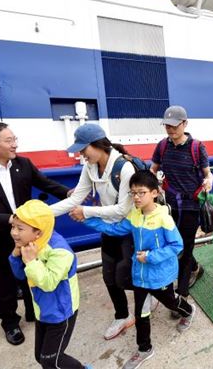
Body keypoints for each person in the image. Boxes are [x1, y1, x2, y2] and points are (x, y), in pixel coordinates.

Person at [0, 122, 70, 345]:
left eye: (15, 139)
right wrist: (12, 221)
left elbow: (45, 184)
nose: (15, 144)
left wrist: (69, 193)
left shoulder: (23, 164)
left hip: (27, 238)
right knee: (2, 286)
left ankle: (32, 312)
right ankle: (10, 323)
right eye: (9, 141)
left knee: (30, 276)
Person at [84, 171, 195, 369]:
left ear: (154, 193)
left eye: (141, 192)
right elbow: (115, 230)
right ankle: (144, 349)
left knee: (171, 302)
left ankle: (188, 310)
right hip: (140, 276)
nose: (136, 197)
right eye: (132, 193)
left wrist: (151, 257)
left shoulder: (163, 218)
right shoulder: (134, 214)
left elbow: (176, 246)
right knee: (141, 313)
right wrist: (87, 218)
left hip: (160, 276)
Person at [50, 123, 143, 341]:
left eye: (84, 150)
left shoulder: (124, 168)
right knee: (109, 276)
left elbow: (123, 209)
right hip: (108, 229)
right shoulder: (90, 167)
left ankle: (148, 297)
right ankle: (122, 316)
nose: (81, 155)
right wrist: (41, 214)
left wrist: (87, 212)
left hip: (128, 230)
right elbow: (75, 199)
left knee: (127, 276)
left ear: (99, 145)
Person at [9, 200, 90, 369]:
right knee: (41, 357)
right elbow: (20, 276)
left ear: (37, 232)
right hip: (43, 310)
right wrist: (15, 256)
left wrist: (31, 261)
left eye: (20, 228)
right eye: (13, 227)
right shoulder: (29, 244)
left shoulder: (60, 252)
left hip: (61, 312)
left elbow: (49, 283)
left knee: (51, 360)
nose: (14, 233)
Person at [150, 106, 213, 307]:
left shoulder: (197, 147)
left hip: (191, 206)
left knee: (184, 248)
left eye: (174, 125)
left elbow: (207, 173)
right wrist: (153, 186)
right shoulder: (162, 146)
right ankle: (195, 268)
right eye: (167, 125)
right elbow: (153, 169)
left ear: (184, 124)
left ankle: (182, 295)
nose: (170, 129)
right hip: (168, 206)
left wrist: (209, 181)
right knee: (173, 245)